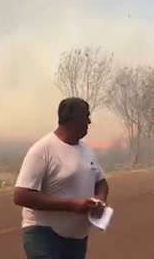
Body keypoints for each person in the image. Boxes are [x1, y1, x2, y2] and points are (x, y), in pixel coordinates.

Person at [14, 97, 109, 259]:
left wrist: (99, 201)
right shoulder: (42, 150)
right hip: (44, 235)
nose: (90, 122)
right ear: (74, 120)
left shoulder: (86, 149)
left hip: (76, 238)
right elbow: (21, 195)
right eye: (86, 117)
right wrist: (71, 205)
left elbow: (101, 182)